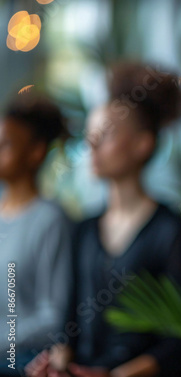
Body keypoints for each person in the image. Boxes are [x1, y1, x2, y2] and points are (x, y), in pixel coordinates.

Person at [26, 63, 181, 377]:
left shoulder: (169, 228)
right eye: (90, 135)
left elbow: (179, 337)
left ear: (142, 144)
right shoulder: (83, 228)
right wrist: (57, 361)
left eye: (105, 135)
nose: (92, 145)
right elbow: (69, 321)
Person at [0, 93, 73, 376]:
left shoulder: (51, 220)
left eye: (6, 144)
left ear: (36, 152)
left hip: (20, 361)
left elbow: (53, 317)